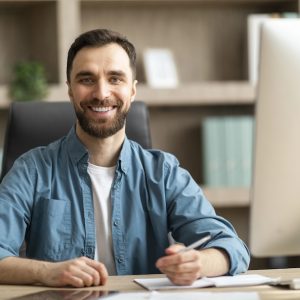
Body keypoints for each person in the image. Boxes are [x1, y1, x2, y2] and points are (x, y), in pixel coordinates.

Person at [0, 29, 250, 288]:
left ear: (132, 90)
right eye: (87, 79)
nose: (101, 93)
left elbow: (232, 247)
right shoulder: (32, 170)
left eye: (115, 79)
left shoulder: (163, 172)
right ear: (70, 91)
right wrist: (46, 272)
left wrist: (199, 263)